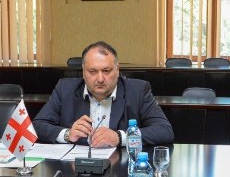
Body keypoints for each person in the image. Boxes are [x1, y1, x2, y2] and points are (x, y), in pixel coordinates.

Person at [33, 41, 174, 147]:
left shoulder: (137, 91)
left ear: (117, 70)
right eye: (92, 71)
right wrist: (67, 134)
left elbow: (164, 131)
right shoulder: (65, 89)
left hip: (120, 169)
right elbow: (37, 126)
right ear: (83, 71)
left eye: (106, 71)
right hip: (74, 168)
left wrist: (120, 137)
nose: (100, 79)